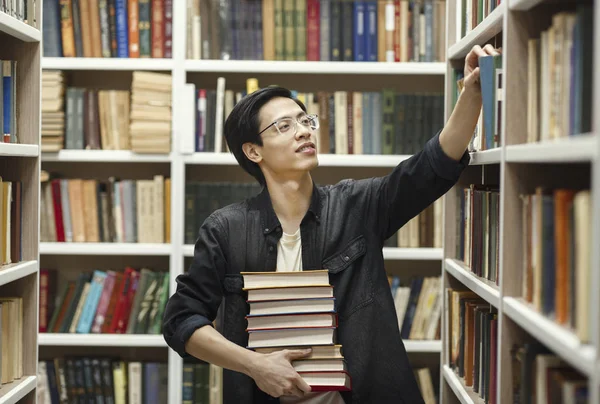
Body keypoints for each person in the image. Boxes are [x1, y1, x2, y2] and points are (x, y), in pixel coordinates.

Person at [162, 44, 501, 403]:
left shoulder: (357, 205)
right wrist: (254, 365)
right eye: (284, 126)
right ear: (253, 151)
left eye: (306, 121)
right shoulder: (225, 229)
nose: (304, 131)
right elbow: (181, 320)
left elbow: (429, 169)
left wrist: (472, 94)